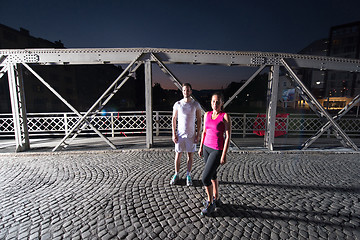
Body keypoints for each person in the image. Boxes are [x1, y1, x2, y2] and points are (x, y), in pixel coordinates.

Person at [198, 92, 231, 215]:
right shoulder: (207, 114)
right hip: (206, 147)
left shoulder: (225, 116)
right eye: (213, 101)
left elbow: (227, 137)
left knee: (205, 178)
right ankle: (216, 198)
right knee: (213, 174)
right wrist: (201, 147)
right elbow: (204, 132)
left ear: (222, 103)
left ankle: (210, 202)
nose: (215, 104)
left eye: (217, 102)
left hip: (217, 149)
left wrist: (224, 154)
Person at [170, 83, 202, 186]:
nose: (186, 92)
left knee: (190, 156)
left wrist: (198, 134)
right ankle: (176, 174)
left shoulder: (195, 104)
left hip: (191, 135)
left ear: (191, 91)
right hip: (180, 134)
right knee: (178, 155)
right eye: (184, 90)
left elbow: (199, 120)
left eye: (188, 90)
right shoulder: (178, 104)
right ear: (182, 91)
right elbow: (174, 119)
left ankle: (188, 175)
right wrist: (173, 133)